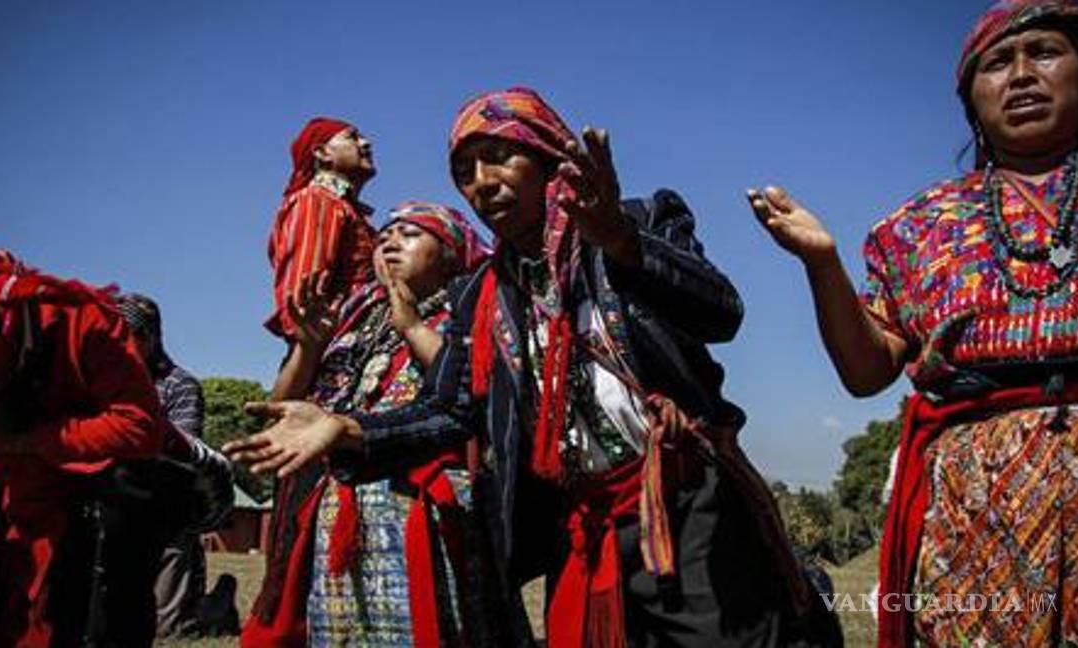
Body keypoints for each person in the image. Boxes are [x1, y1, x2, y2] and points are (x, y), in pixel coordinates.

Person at [228, 88, 839, 646]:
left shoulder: (643, 219)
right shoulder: (483, 294)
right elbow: (454, 407)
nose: (481, 182)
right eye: (464, 172)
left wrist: (621, 242)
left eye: (500, 158)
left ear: (548, 157)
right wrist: (352, 430)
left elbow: (721, 313)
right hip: (583, 528)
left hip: (684, 506)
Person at [748, 1, 1078, 644]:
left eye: (1044, 51)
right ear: (972, 99)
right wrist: (823, 264)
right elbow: (867, 371)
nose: (1020, 76)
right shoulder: (918, 227)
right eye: (996, 64)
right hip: (978, 507)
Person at [241, 201, 496, 646]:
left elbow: (473, 394)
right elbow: (281, 412)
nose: (390, 243)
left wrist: (414, 326)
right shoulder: (353, 321)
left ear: (452, 250)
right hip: (340, 504)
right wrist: (309, 348)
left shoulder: (470, 309)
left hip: (430, 508)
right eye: (383, 237)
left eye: (410, 234)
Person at [0, 251, 175, 646]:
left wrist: (23, 440)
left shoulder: (87, 325)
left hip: (103, 505)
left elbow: (139, 427)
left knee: (96, 619)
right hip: (22, 509)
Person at [117, 293, 234, 639]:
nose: (119, 343)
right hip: (117, 501)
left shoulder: (180, 385)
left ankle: (219, 606)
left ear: (151, 338)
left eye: (130, 334)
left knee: (169, 629)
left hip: (166, 506)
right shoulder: (107, 382)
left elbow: (184, 454)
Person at [266, 117, 378, 343]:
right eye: (352, 137)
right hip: (335, 352)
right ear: (322, 153)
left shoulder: (346, 209)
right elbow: (300, 302)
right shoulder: (317, 201)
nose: (366, 143)